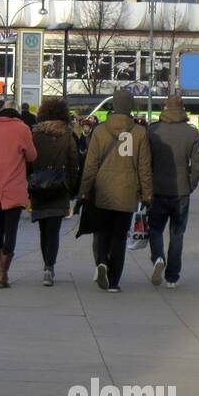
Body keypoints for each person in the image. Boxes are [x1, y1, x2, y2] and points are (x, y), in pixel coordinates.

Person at [77, 89, 152, 294]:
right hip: (127, 192)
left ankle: (101, 261)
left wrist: (84, 191)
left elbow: (90, 165)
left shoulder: (99, 131)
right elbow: (144, 167)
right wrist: (147, 195)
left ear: (114, 106)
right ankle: (114, 280)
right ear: (130, 106)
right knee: (119, 237)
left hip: (103, 191)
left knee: (102, 232)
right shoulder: (140, 133)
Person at [146, 95, 199, 288]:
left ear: (164, 108)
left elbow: (146, 162)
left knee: (154, 229)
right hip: (181, 190)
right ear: (183, 109)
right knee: (177, 234)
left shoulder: (153, 130)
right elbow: (197, 164)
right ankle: (172, 277)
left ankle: (158, 258)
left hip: (157, 188)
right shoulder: (192, 132)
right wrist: (191, 184)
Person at [0, 104, 37, 287]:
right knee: (11, 229)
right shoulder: (22, 129)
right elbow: (32, 156)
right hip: (14, 186)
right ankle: (4, 273)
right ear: (17, 114)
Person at [29, 96, 80, 287]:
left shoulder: (35, 135)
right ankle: (50, 266)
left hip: (39, 188)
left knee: (43, 229)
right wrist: (71, 186)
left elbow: (29, 161)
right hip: (60, 187)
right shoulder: (68, 136)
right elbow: (74, 162)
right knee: (54, 230)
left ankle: (46, 265)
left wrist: (30, 181)